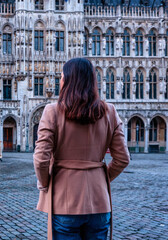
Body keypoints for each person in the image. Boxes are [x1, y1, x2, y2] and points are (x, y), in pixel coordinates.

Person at [33, 58, 130, 240]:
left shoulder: (52, 111)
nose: (60, 81)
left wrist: (45, 183)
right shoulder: (110, 112)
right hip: (100, 202)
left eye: (61, 77)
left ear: (68, 81)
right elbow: (123, 159)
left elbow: (41, 158)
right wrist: (99, 176)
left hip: (64, 201)